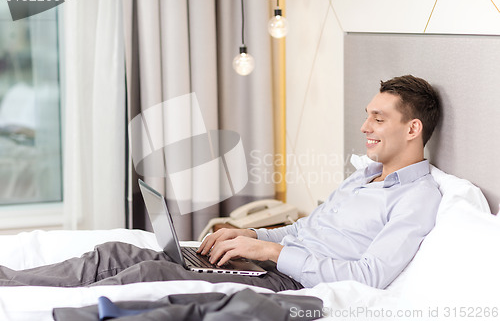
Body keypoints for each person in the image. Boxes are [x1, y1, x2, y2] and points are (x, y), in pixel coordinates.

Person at [0, 75, 441, 292]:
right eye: (367, 114)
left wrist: (269, 252)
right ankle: (11, 282)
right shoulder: (361, 176)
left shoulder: (417, 198)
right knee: (116, 253)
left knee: (150, 274)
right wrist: (251, 235)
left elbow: (370, 277)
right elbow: (303, 231)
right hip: (270, 261)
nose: (364, 126)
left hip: (292, 285)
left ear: (412, 129)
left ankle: (37, 308)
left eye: (378, 119)